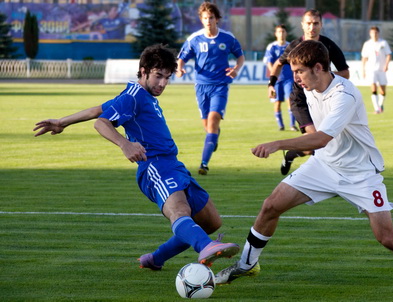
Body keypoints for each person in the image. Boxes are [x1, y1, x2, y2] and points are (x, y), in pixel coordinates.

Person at [215, 40, 393, 295]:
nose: (296, 78)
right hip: (323, 166)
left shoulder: (344, 95)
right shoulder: (311, 86)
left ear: (319, 68)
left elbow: (322, 138)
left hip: (360, 174)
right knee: (270, 206)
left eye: (299, 71)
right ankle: (247, 264)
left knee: (386, 237)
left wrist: (278, 144)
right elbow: (316, 136)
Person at [33, 44, 239, 271]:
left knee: (211, 222)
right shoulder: (134, 95)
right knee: (179, 211)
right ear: (143, 70)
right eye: (158, 76)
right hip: (154, 166)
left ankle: (156, 259)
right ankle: (205, 247)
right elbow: (101, 122)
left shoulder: (139, 95)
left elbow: (98, 109)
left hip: (173, 165)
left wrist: (62, 122)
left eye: (167, 78)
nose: (162, 83)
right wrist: (125, 144)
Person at [267, 9, 350, 176]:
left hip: (323, 99)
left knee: (316, 145)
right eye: (309, 23)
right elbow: (277, 64)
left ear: (321, 24)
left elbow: (345, 72)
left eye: (316, 23)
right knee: (316, 140)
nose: (312, 27)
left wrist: (323, 77)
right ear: (302, 25)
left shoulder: (328, 45)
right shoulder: (294, 46)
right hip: (300, 100)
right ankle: (328, 180)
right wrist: (271, 84)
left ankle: (291, 154)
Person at [176, 2, 245, 175]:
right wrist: (180, 68)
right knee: (208, 126)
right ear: (201, 19)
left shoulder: (227, 38)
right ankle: (214, 136)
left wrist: (236, 69)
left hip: (220, 85)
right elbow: (182, 58)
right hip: (201, 87)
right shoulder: (194, 39)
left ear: (217, 19)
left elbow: (240, 57)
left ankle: (204, 164)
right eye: (205, 18)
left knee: (213, 120)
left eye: (211, 18)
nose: (208, 21)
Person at [263, 24, 298, 132]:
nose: (281, 34)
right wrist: (274, 75)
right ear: (276, 34)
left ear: (286, 33)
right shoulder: (272, 47)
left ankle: (292, 125)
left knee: (290, 101)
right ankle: (281, 125)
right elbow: (269, 62)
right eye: (279, 32)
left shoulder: (290, 46)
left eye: (283, 31)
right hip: (277, 80)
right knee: (277, 102)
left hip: (289, 79)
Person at [361, 26, 392, 114]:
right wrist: (363, 70)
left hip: (381, 69)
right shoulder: (367, 44)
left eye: (376, 33)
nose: (374, 34)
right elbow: (364, 58)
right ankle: (377, 108)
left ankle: (380, 104)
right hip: (371, 69)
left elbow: (389, 54)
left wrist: (386, 65)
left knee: (382, 90)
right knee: (373, 88)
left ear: (378, 33)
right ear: (370, 34)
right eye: (372, 33)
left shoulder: (383, 43)